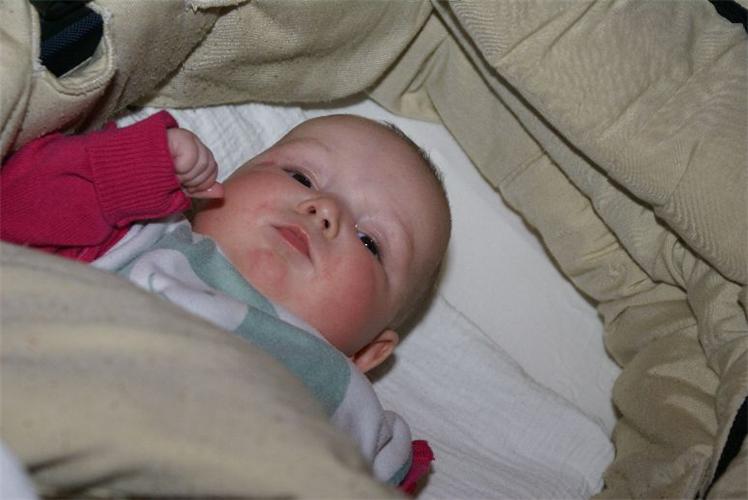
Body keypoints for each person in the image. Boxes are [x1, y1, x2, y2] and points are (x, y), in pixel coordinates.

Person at [0, 110, 451, 490]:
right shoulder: (140, 238)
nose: (326, 208)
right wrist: (134, 166)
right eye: (300, 177)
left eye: (370, 241)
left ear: (368, 353)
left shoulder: (360, 418)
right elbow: (15, 212)